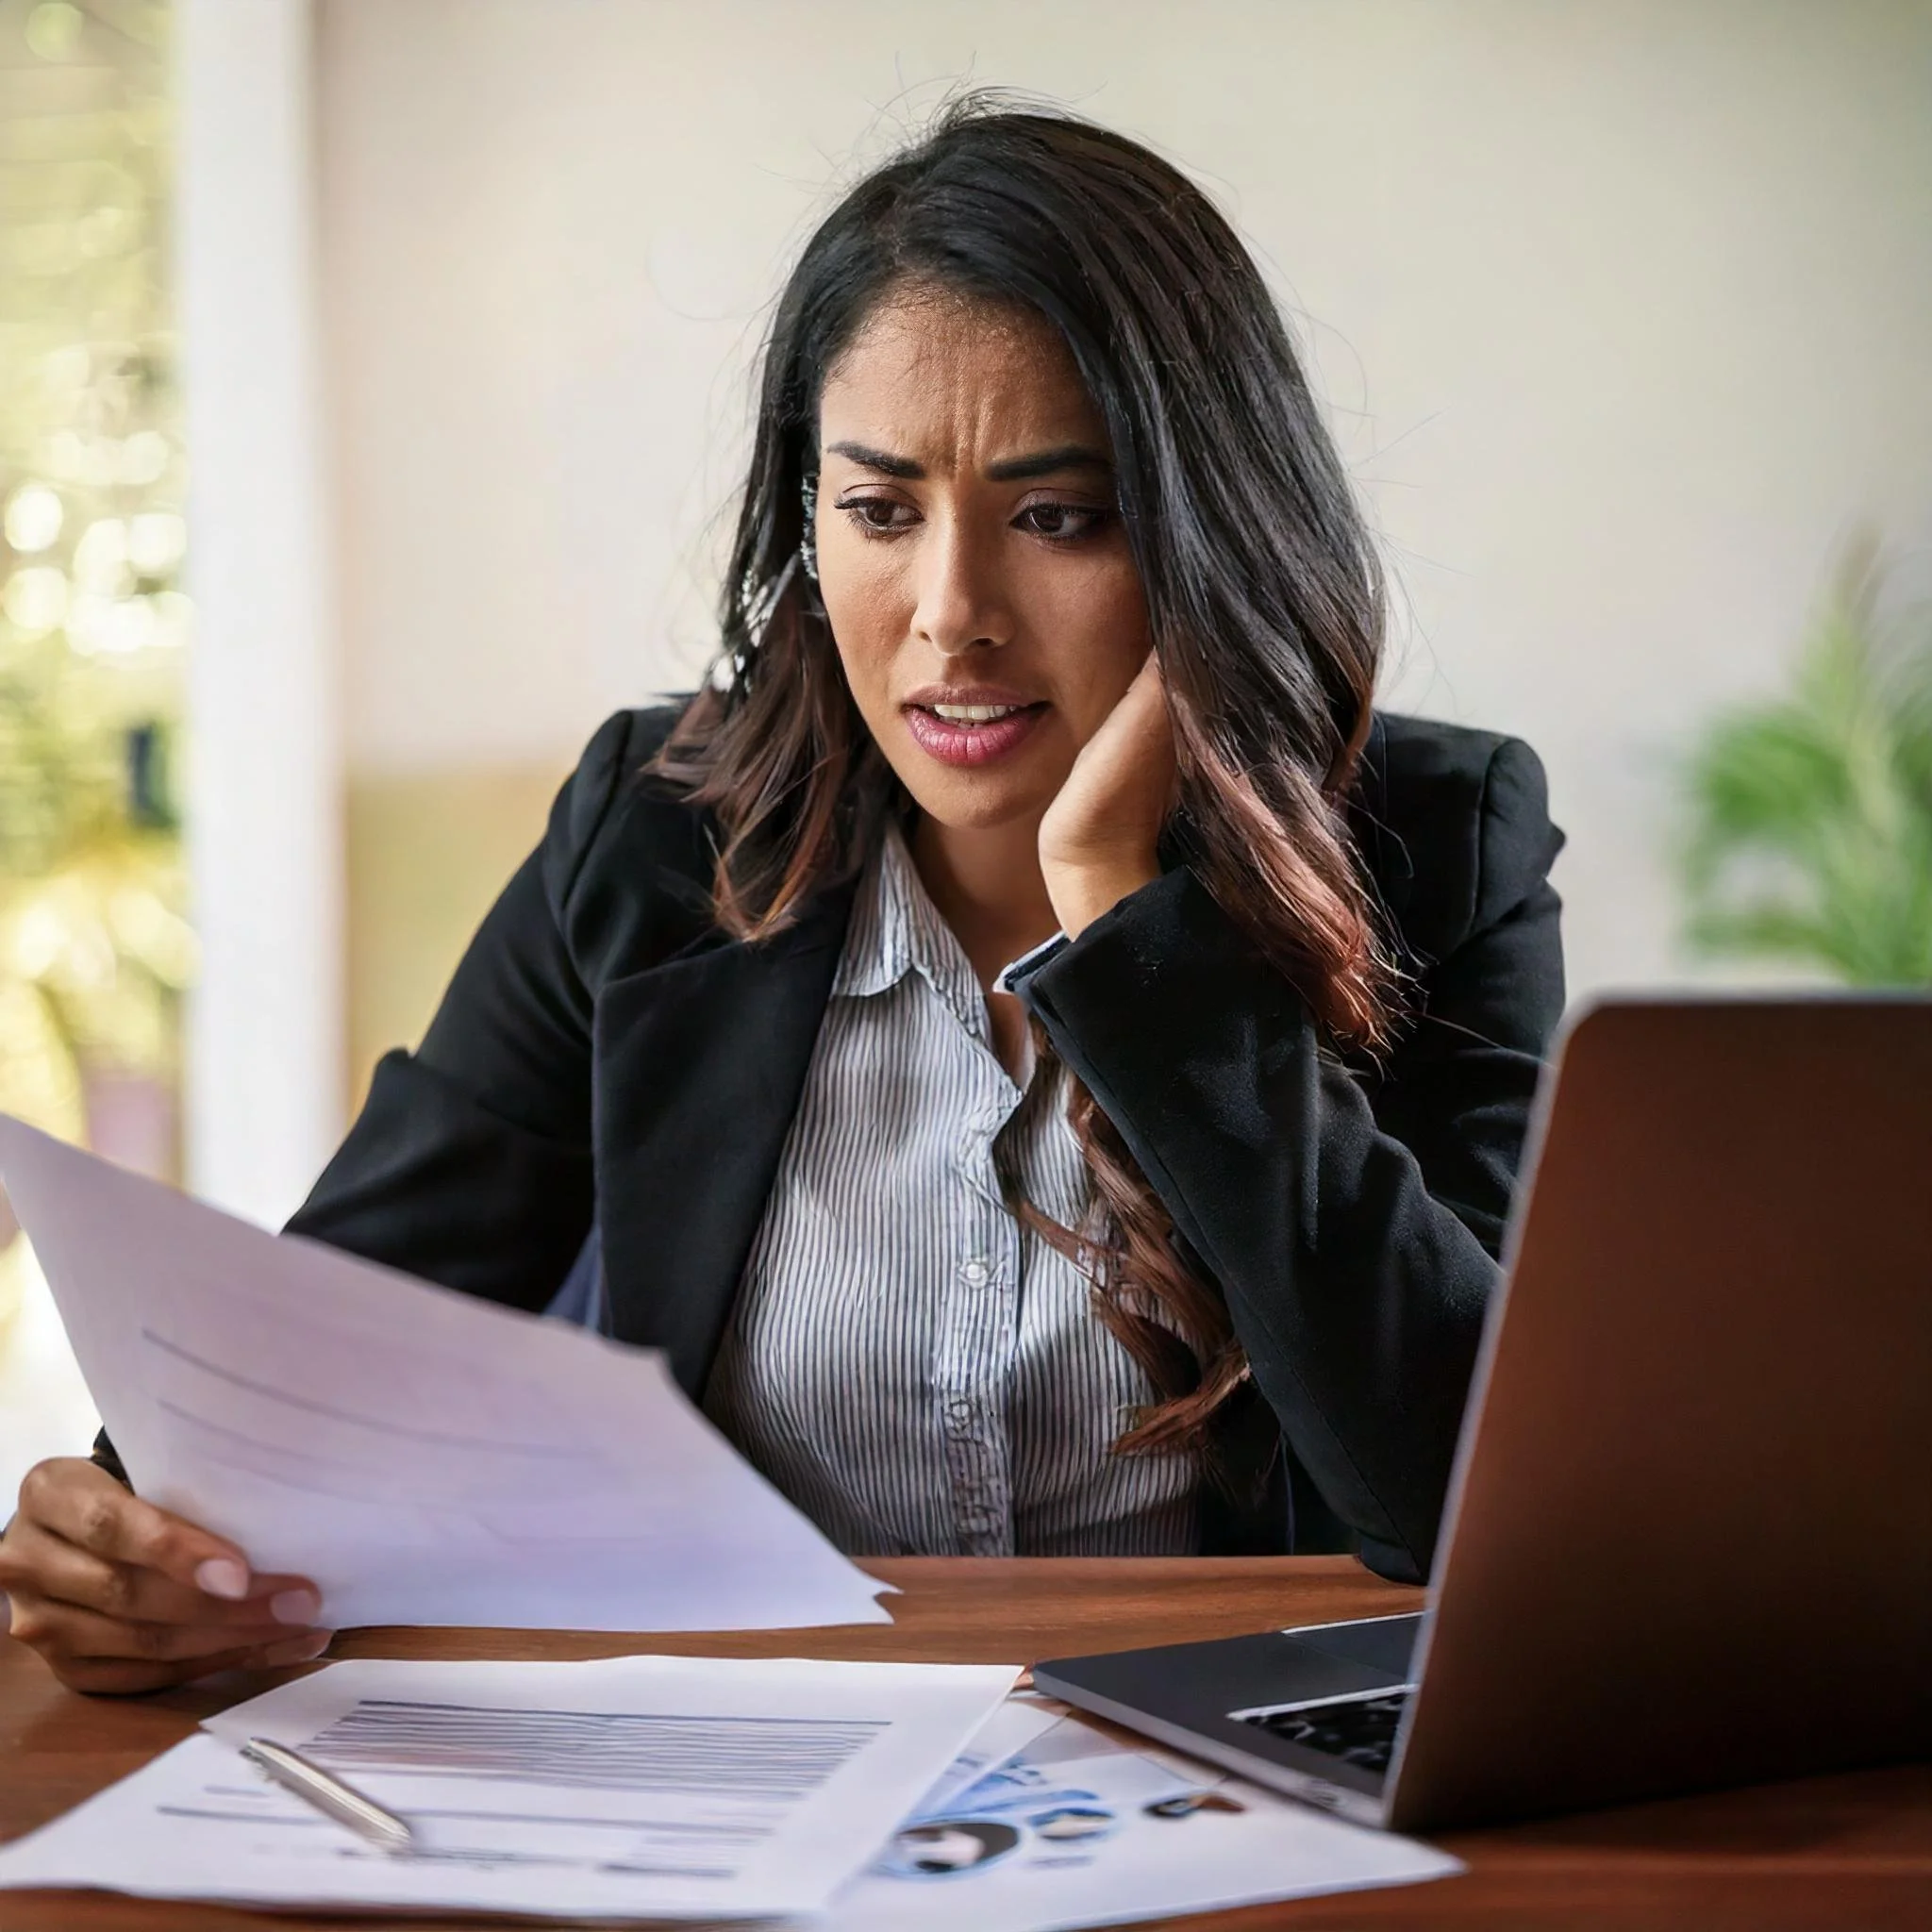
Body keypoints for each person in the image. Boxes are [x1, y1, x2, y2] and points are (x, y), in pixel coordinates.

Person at [0, 98, 1563, 1694]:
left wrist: (1124, 924)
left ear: (1210, 535)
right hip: (752, 1773)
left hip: (1232, 1791)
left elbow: (1469, 1497)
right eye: (880, 512)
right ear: (809, 523)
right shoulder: (652, 840)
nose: (951, 617)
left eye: (1059, 518)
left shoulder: (1438, 845)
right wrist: (130, 1530)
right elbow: (329, 1337)